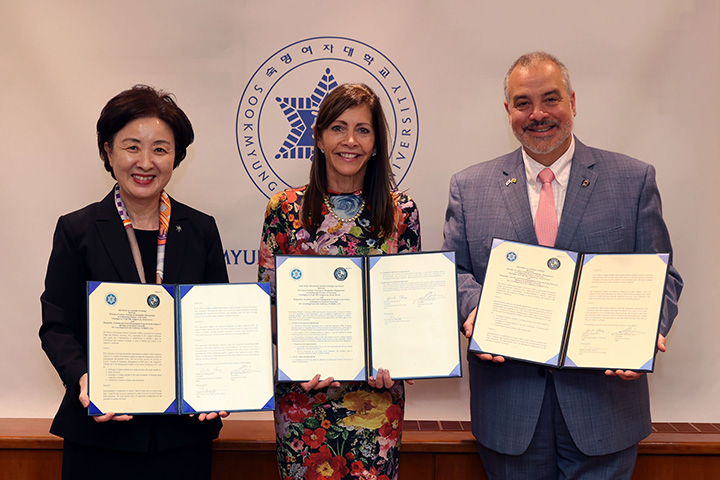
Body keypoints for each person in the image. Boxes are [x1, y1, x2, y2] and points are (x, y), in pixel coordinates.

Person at [442, 52, 683, 479]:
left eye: (550, 99)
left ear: (572, 102)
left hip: (604, 407)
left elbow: (661, 277)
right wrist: (476, 308)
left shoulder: (633, 179)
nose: (537, 114)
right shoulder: (469, 186)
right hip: (510, 409)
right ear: (508, 111)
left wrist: (647, 331)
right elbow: (456, 272)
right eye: (523, 103)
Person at [40, 85, 229, 480]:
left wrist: (219, 383)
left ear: (176, 156)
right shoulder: (78, 229)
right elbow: (57, 325)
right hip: (101, 432)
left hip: (182, 434)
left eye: (160, 149)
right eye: (131, 147)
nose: (145, 162)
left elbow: (217, 324)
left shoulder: (200, 229)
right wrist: (82, 378)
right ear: (108, 151)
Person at [258, 83, 421, 480]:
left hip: (376, 399)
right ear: (317, 137)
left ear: (377, 143)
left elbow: (409, 309)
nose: (350, 141)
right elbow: (267, 307)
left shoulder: (402, 213)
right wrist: (295, 359)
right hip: (303, 396)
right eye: (338, 128)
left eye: (363, 130)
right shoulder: (284, 210)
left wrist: (398, 357)